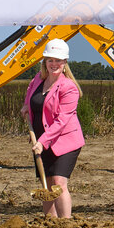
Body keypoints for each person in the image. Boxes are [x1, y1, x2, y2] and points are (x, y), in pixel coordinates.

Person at [20, 38, 84, 218]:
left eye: (58, 60)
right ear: (45, 62)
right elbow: (30, 92)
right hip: (40, 139)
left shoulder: (69, 88)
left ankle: (66, 223)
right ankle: (50, 224)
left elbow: (62, 120)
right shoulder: (39, 79)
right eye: (50, 60)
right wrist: (26, 106)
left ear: (65, 63)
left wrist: (43, 142)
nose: (54, 64)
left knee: (58, 183)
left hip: (64, 142)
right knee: (45, 184)